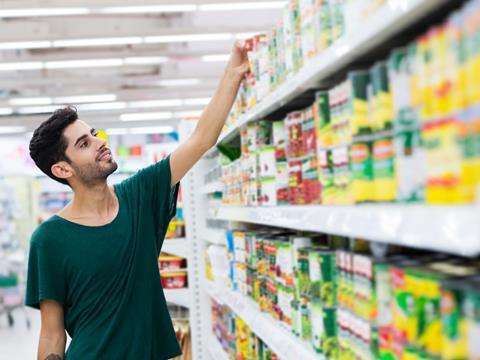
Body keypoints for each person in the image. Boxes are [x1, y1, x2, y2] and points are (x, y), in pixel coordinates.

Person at [25, 41, 248, 360]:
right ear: (62, 169)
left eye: (95, 134)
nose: (100, 143)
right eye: (84, 144)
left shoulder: (141, 195)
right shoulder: (48, 240)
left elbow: (200, 140)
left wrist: (233, 74)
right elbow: (50, 334)